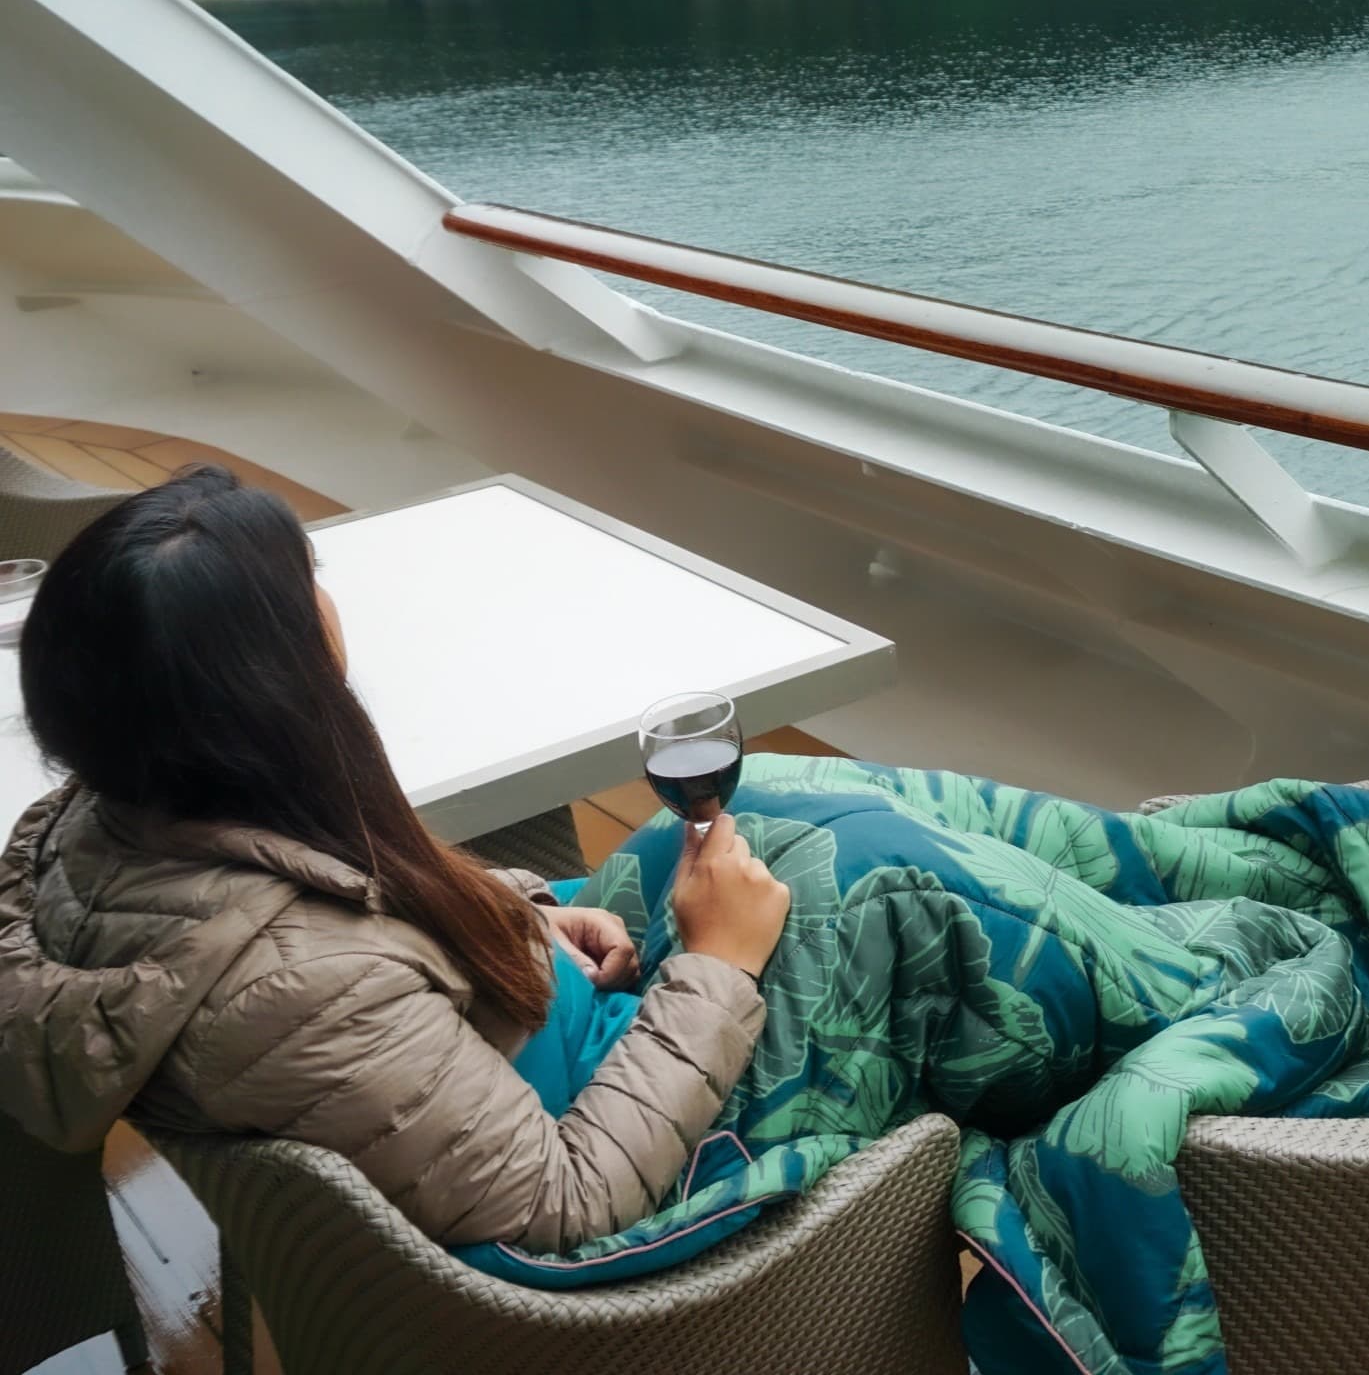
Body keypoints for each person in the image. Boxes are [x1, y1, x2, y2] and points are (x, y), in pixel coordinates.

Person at [0, 467, 790, 1254]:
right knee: (864, 866)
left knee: (790, 827)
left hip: (528, 1043)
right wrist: (720, 966)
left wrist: (524, 913)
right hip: (620, 1158)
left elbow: (328, 916)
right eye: (304, 575)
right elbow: (565, 1202)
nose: (327, 602)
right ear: (259, 674)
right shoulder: (305, 998)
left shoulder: (108, 816)